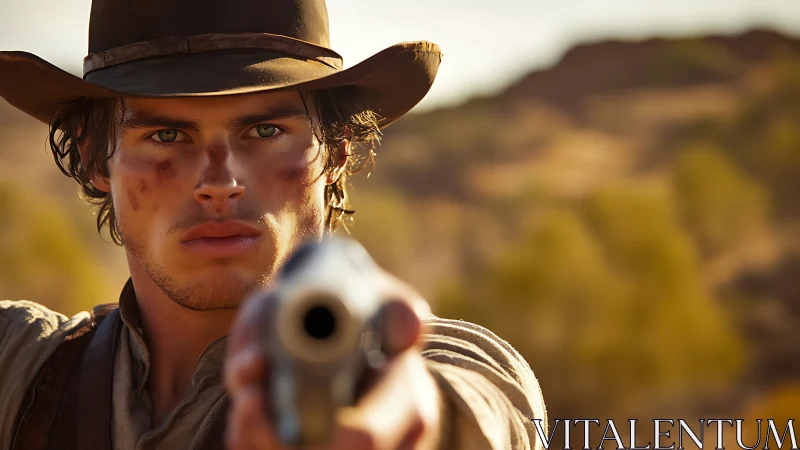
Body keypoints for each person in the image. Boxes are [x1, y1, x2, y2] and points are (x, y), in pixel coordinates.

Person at [0, 0, 548, 448]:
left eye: (264, 132)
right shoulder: (20, 365)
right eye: (166, 136)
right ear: (95, 159)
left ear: (335, 150)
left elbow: (471, 409)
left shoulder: (443, 361)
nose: (219, 181)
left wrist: (414, 417)